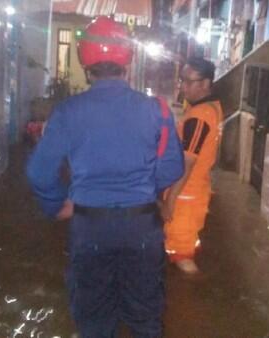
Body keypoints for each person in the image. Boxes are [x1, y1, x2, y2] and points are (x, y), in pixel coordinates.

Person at [26, 16, 184, 338]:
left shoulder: (67, 112)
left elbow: (39, 172)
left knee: (95, 319)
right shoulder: (158, 110)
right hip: (142, 226)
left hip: (90, 227)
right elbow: (172, 168)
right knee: (145, 317)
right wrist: (141, 190)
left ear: (85, 61)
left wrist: (58, 205)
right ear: (129, 59)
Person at [160, 57, 224, 274]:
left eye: (189, 81)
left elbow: (187, 163)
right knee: (182, 249)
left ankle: (193, 298)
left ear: (205, 84)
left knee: (182, 256)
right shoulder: (212, 107)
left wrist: (170, 200)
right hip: (192, 192)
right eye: (182, 80)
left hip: (185, 195)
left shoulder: (200, 117)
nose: (183, 86)